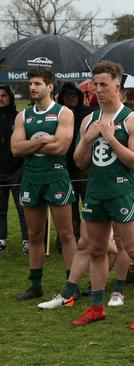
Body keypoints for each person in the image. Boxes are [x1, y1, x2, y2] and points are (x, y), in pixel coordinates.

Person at [69, 60, 134, 329]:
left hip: (121, 192)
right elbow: (79, 161)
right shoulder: (88, 121)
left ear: (118, 87)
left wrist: (112, 139)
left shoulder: (132, 119)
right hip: (95, 193)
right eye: (96, 84)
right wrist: (88, 138)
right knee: (95, 250)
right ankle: (96, 307)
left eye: (104, 84)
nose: (98, 89)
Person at [11, 67, 77, 301]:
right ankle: (35, 284)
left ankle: (72, 285)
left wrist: (30, 143)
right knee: (35, 233)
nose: (32, 87)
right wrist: (43, 141)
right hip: (31, 179)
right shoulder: (23, 115)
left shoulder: (64, 113)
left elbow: (61, 148)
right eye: (31, 84)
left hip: (56, 177)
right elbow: (16, 149)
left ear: (50, 87)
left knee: (66, 234)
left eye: (37, 83)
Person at [56, 82, 94, 252]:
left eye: (74, 95)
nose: (71, 98)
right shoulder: (57, 114)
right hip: (63, 167)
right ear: (62, 97)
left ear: (79, 96)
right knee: (67, 205)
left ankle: (91, 236)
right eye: (67, 95)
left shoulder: (88, 113)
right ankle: (69, 237)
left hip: (84, 167)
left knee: (89, 203)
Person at [0, 84, 28, 252]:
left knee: (23, 207)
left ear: (10, 97)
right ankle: (1, 239)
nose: (1, 98)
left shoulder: (18, 117)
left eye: (4, 95)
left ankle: (27, 240)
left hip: (17, 170)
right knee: (0, 208)